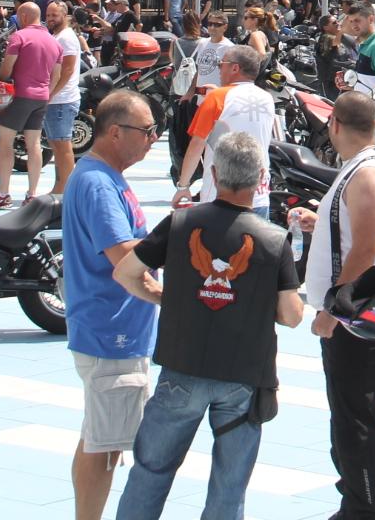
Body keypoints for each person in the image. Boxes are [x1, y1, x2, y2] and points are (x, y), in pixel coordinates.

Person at [113, 132, 303, 520]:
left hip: (182, 368)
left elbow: (126, 273)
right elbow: (291, 315)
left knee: (150, 473)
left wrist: (164, 297)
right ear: (261, 178)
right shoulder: (273, 240)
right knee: (228, 489)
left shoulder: (181, 223)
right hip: (242, 376)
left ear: (213, 174)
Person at [293, 92, 375, 520]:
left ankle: (370, 510)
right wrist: (320, 223)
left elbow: (367, 250)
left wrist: (333, 311)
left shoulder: (368, 175)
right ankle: (355, 504)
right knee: (348, 415)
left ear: (334, 124)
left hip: (356, 320)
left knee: (356, 419)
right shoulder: (359, 169)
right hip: (352, 318)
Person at [63, 92, 160, 520]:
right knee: (104, 446)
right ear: (116, 132)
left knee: (99, 438)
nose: (153, 139)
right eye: (147, 131)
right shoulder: (99, 183)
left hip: (113, 328)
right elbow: (123, 255)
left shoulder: (103, 176)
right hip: (111, 331)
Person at [0, 2, 78, 210]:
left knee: (5, 143)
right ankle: (31, 194)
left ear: (23, 17)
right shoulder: (54, 42)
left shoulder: (19, 37)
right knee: (34, 145)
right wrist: (47, 94)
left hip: (19, 96)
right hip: (41, 98)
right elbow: (56, 75)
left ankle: (3, 193)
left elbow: (7, 68)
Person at [175, 45, 279, 210]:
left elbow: (197, 145)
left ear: (235, 68)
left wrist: (183, 186)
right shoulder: (267, 98)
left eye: (221, 64)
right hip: (259, 195)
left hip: (220, 197)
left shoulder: (217, 98)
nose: (219, 69)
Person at [45, 0, 87, 195]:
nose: (50, 19)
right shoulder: (57, 36)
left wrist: (51, 93)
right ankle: (59, 187)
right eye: (48, 15)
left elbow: (68, 70)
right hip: (56, 100)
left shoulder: (67, 38)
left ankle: (68, 191)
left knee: (63, 147)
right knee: (56, 146)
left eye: (54, 15)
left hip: (62, 100)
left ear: (65, 15)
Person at [342, 3, 375, 94]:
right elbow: (368, 82)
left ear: (371, 19)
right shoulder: (367, 44)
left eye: (357, 20)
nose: (353, 25)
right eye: (351, 21)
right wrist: (351, 86)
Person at [192, 13, 232, 90]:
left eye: (217, 25)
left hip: (217, 94)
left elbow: (232, 76)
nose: (212, 27)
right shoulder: (202, 43)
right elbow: (199, 70)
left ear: (225, 27)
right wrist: (190, 92)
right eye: (210, 24)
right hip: (200, 94)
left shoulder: (230, 48)